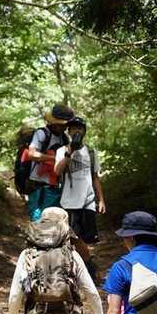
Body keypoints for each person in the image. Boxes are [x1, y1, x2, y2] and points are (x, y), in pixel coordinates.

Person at [53, 115, 106, 270]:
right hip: (69, 202)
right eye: (74, 128)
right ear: (69, 132)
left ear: (84, 131)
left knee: (86, 238)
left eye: (80, 128)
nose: (77, 131)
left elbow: (95, 177)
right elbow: (57, 171)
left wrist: (101, 199)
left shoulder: (91, 152)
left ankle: (81, 268)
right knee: (72, 236)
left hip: (88, 202)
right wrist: (69, 152)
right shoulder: (61, 150)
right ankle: (88, 265)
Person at [25, 105, 76, 222]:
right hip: (38, 185)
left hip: (55, 186)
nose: (63, 127)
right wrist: (55, 158)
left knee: (52, 221)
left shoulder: (64, 139)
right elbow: (31, 154)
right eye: (61, 124)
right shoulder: (41, 133)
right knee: (38, 219)